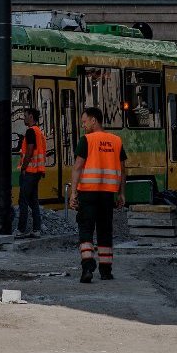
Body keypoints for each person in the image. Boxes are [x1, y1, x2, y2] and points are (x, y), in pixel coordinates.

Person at [70, 106, 126, 283]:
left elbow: (78, 167)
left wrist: (73, 193)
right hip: (107, 195)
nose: (83, 125)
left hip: (88, 193)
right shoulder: (116, 141)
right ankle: (106, 270)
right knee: (105, 231)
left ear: (94, 120)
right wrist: (121, 194)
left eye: (85, 121)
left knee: (86, 230)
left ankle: (87, 266)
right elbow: (123, 170)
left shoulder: (86, 140)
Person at [16, 107, 48, 237]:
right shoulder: (39, 132)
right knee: (33, 201)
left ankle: (21, 229)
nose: (24, 118)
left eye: (25, 116)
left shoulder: (30, 132)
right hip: (37, 171)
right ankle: (36, 229)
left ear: (31, 117)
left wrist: (23, 167)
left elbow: (29, 151)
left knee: (23, 200)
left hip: (30, 171)